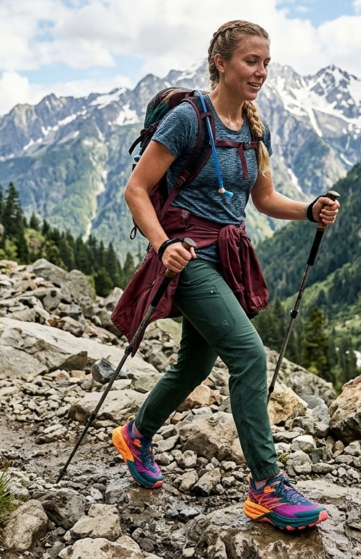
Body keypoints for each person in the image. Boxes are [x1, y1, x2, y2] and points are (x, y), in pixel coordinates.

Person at [110, 20, 340, 531]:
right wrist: (163, 244)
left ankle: (136, 434)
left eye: (265, 63)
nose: (260, 72)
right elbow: (136, 190)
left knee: (194, 365)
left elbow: (262, 199)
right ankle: (266, 486)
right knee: (249, 356)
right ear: (221, 62)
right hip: (188, 258)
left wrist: (309, 210)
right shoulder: (189, 120)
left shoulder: (255, 127)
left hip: (228, 257)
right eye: (250, 61)